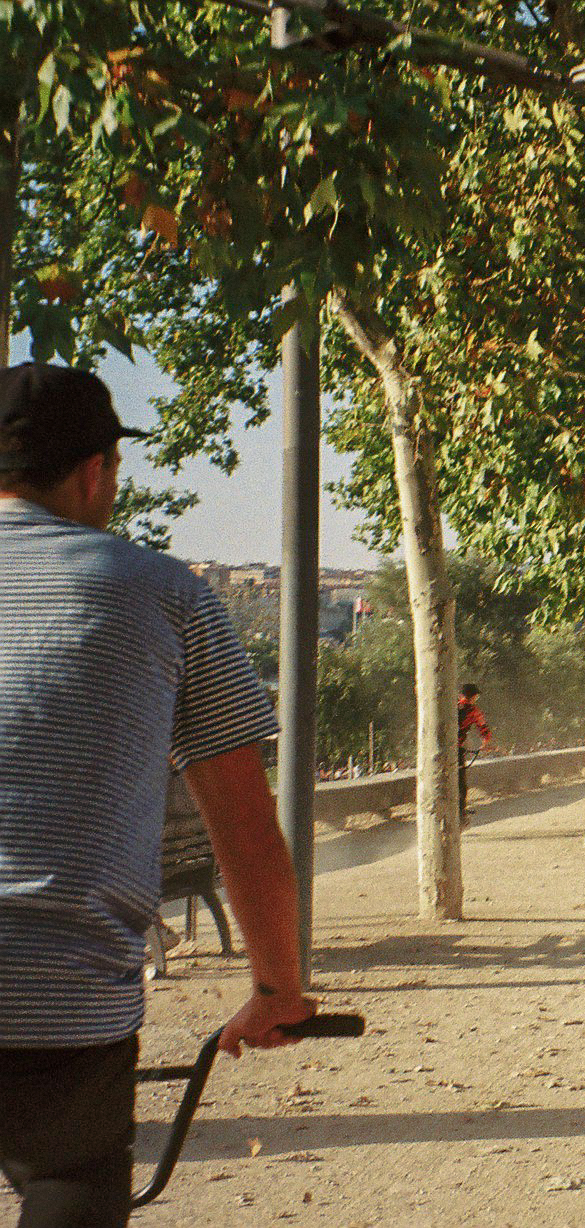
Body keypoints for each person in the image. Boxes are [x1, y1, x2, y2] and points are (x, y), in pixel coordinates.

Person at [0, 363, 315, 1228]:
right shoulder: (167, 594)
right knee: (73, 1175)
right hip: (64, 1013)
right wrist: (278, 991)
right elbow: (246, 831)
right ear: (96, 471)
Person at [456, 682, 494, 820]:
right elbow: (483, 728)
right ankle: (460, 813)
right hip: (456, 750)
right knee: (460, 784)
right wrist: (485, 742)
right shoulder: (473, 710)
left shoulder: (451, 705)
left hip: (440, 749)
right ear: (473, 697)